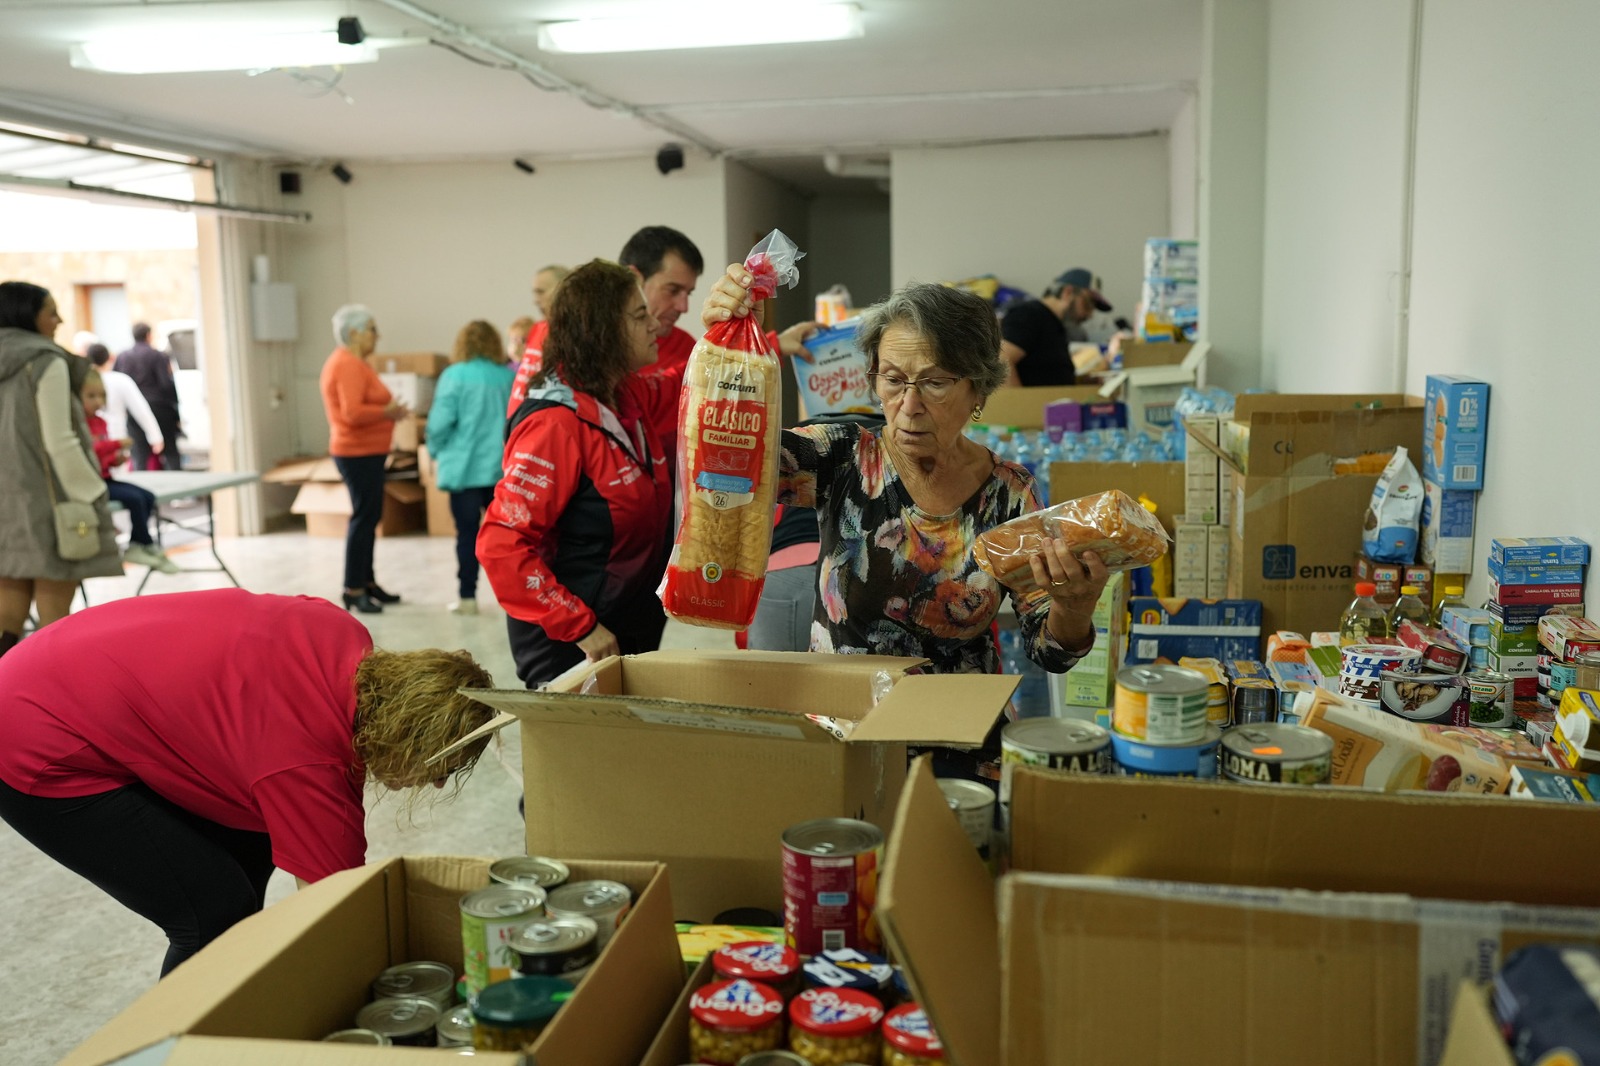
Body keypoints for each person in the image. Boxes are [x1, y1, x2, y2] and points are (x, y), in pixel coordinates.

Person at [0, 588, 497, 977]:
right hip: (34, 740)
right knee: (212, 911)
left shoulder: (339, 631)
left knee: (252, 846)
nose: (434, 786)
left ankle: (234, 1003)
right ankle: (186, 1049)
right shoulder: (303, 765)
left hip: (51, 665)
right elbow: (338, 916)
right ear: (408, 742)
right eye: (443, 768)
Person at [703, 265, 1110, 676]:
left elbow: (1051, 653)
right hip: (851, 719)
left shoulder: (1009, 492)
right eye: (893, 380)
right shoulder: (844, 455)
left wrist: (1074, 608)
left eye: (934, 383)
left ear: (978, 389)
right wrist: (728, 353)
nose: (909, 406)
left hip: (956, 725)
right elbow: (722, 455)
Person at [479, 259, 677, 688]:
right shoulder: (554, 425)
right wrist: (579, 625)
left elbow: (694, 382)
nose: (655, 326)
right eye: (640, 316)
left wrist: (757, 338)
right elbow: (502, 546)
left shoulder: (625, 393)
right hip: (572, 640)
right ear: (602, 331)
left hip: (624, 619)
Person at [0, 281, 122, 657]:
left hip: (5, 503)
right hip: (47, 505)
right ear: (26, 314)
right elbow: (60, 440)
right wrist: (94, 493)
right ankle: (48, 703)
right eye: (50, 311)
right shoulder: (45, 360)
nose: (59, 319)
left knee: (6, 615)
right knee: (55, 619)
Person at [320, 304, 409, 614]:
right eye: (372, 328)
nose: (377, 335)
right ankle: (353, 588)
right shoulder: (346, 364)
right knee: (363, 519)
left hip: (368, 451)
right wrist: (387, 412)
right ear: (355, 332)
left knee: (369, 518)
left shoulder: (358, 362)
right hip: (356, 451)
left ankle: (367, 582)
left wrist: (390, 414)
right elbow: (352, 412)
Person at [427, 320, 514, 616]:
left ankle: (467, 598)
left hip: (463, 471)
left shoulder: (454, 375)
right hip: (501, 472)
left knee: (466, 535)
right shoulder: (507, 378)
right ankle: (514, 601)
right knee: (507, 539)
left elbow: (439, 423)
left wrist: (435, 449)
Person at [80, 368, 179, 574]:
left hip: (105, 477)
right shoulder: (80, 425)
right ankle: (137, 545)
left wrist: (114, 460)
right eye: (91, 396)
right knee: (134, 499)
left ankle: (143, 542)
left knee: (147, 496)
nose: (98, 401)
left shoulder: (101, 422)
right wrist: (115, 445)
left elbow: (100, 458)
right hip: (92, 482)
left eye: (102, 396)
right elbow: (89, 450)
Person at [998, 268, 1113, 387]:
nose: (1089, 314)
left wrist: (1078, 382)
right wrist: (1019, 403)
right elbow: (1002, 359)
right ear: (1068, 292)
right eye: (1088, 303)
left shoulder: (1054, 325)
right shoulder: (1030, 315)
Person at [115, 323, 183, 471]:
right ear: (148, 335)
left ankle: (142, 489)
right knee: (170, 450)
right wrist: (176, 412)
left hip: (134, 410)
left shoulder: (123, 357)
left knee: (139, 453)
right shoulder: (159, 356)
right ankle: (178, 490)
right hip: (160, 408)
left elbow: (118, 381)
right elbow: (167, 384)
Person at [86, 342, 164, 467]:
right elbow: (140, 409)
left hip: (93, 439)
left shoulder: (84, 380)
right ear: (109, 358)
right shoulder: (120, 380)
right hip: (116, 436)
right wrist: (155, 437)